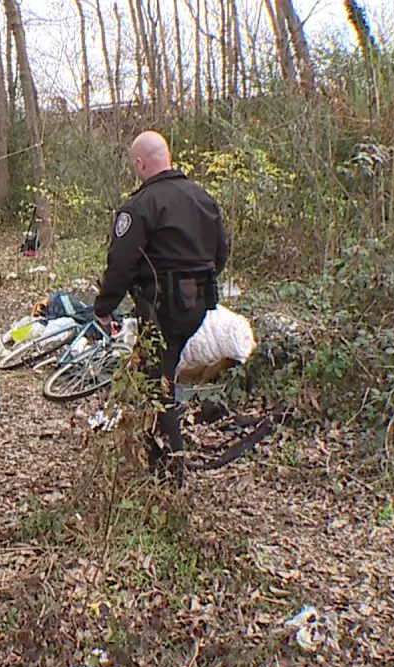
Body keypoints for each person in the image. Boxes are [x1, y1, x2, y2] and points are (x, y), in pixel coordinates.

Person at [93, 130, 229, 483]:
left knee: (158, 384)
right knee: (153, 373)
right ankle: (153, 452)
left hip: (161, 309)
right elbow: (221, 253)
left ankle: (170, 476)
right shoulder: (203, 198)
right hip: (197, 306)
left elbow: (120, 263)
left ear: (140, 164)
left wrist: (104, 306)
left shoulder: (140, 206)